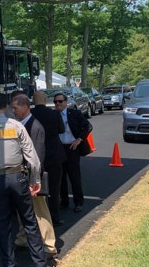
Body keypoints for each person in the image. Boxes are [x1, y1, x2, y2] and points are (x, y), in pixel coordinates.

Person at [0, 93, 47, 267]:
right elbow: (32, 157)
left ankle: (9, 264)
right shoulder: (18, 127)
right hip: (19, 177)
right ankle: (40, 263)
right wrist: (35, 179)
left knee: (3, 225)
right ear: (6, 107)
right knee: (29, 221)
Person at [10, 94, 59, 263]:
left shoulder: (35, 127)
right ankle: (23, 239)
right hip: (22, 176)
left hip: (31, 178)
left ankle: (49, 246)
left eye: (15, 107)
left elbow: (37, 156)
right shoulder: (22, 125)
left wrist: (33, 180)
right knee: (23, 210)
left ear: (25, 107)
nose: (13, 111)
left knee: (40, 213)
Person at [30, 91, 66, 225]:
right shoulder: (54, 114)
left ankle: (38, 217)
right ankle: (54, 217)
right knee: (54, 187)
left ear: (33, 101)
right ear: (45, 100)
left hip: (37, 154)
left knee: (35, 186)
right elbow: (62, 130)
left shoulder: (30, 115)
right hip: (54, 153)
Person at [53, 93, 92, 213]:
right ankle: (64, 201)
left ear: (66, 102)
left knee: (74, 176)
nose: (58, 104)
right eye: (55, 102)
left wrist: (79, 139)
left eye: (60, 101)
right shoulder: (53, 115)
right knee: (61, 177)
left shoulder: (74, 113)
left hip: (72, 148)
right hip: (60, 148)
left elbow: (87, 126)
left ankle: (78, 202)